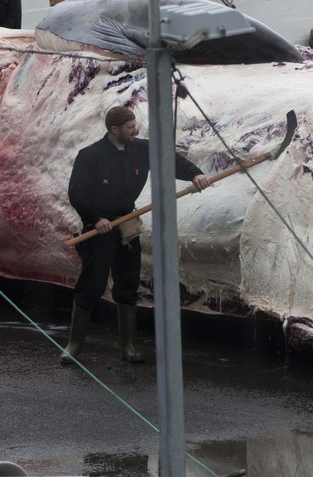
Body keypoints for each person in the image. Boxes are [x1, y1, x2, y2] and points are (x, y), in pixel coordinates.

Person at [65, 106, 210, 364]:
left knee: (128, 282)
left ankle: (128, 347)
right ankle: (73, 346)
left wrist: (195, 174)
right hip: (98, 227)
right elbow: (77, 192)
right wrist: (94, 218)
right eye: (130, 127)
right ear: (114, 129)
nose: (136, 130)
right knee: (92, 285)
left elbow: (170, 160)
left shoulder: (141, 149)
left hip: (127, 224)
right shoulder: (90, 156)